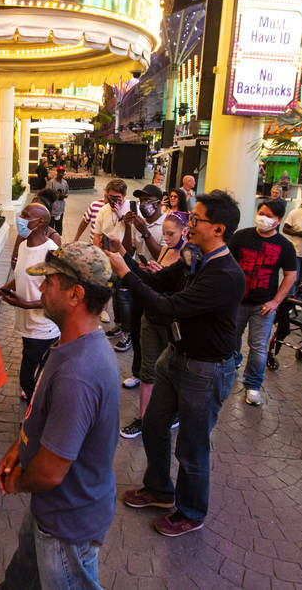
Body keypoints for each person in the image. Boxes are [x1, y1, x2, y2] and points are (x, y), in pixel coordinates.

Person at [0, 244, 119, 590]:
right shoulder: (72, 346)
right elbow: (44, 419)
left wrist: (19, 481)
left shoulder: (78, 373)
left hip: (67, 521)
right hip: (53, 510)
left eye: (49, 282)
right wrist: (18, 451)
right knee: (25, 569)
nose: (41, 288)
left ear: (75, 294)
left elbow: (51, 472)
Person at [109, 191, 246, 537]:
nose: (190, 225)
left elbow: (168, 307)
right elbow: (159, 281)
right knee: (154, 425)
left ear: (218, 228)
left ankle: (191, 511)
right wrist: (126, 257)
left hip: (206, 369)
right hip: (177, 354)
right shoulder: (194, 257)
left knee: (192, 445)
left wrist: (125, 274)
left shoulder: (225, 275)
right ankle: (158, 489)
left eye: (196, 220)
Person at [0, 203, 60, 401]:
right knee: (32, 378)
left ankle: (39, 414)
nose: (20, 218)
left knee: (28, 379)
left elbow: (58, 296)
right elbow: (21, 276)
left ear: (40, 222)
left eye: (26, 215)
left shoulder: (52, 252)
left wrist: (26, 304)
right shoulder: (24, 246)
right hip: (27, 325)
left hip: (44, 329)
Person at [120, 211, 188, 438]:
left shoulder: (189, 258)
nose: (166, 238)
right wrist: (151, 272)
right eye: (165, 233)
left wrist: (160, 277)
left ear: (185, 232)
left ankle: (173, 412)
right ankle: (145, 419)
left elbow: (182, 295)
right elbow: (152, 283)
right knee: (148, 370)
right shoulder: (168, 250)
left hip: (171, 324)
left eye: (171, 234)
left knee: (171, 371)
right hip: (151, 317)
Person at [229, 198, 298, 406]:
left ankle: (252, 385)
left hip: (263, 305)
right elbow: (227, 263)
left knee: (258, 347)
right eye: (261, 213)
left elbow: (290, 275)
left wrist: (276, 301)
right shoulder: (241, 237)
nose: (263, 218)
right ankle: (231, 366)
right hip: (237, 301)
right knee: (231, 338)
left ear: (278, 220)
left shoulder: (285, 246)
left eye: (269, 216)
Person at [120, 185, 167, 379]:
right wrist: (128, 227)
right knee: (136, 327)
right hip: (139, 279)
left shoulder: (167, 225)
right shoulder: (139, 223)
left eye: (148, 200)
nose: (143, 204)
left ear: (158, 202)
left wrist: (145, 232)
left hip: (158, 283)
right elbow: (128, 251)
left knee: (155, 331)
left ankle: (157, 373)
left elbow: (162, 256)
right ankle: (138, 372)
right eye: (141, 201)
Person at [92, 179, 132, 351]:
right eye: (110, 197)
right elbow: (97, 235)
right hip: (107, 260)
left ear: (124, 196)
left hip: (125, 261)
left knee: (124, 298)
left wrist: (121, 216)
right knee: (114, 294)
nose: (113, 201)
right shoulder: (103, 210)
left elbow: (133, 236)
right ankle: (119, 324)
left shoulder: (131, 210)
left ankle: (128, 332)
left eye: (117, 198)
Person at [46, 166, 70, 235]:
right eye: (60, 172)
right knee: (50, 227)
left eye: (62, 172)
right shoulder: (51, 182)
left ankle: (58, 240)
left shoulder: (65, 183)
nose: (61, 174)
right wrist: (56, 196)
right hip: (52, 208)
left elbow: (67, 193)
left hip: (60, 208)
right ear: (57, 172)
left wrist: (63, 196)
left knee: (59, 227)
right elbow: (47, 193)